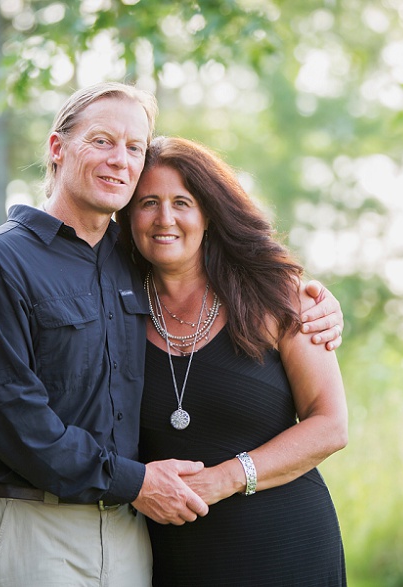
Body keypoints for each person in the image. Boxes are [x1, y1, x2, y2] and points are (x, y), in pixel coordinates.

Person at [0, 82, 344, 587]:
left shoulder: (127, 263)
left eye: (134, 147)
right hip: (41, 523)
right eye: (102, 141)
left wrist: (316, 301)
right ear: (56, 148)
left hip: (145, 534)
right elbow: (11, 418)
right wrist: (137, 483)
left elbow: (327, 417)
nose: (120, 160)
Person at [117, 136, 349, 586]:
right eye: (148, 203)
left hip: (287, 548)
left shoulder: (278, 295)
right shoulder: (115, 307)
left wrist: (225, 478)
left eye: (182, 202)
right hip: (175, 559)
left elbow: (331, 425)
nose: (165, 219)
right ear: (129, 217)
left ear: (208, 213)